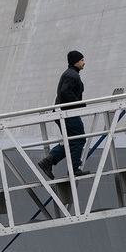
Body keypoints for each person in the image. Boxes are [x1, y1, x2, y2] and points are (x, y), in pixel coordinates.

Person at [39, 51, 90, 179]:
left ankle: (49, 161)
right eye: (82, 60)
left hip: (64, 112)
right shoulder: (72, 75)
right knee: (79, 139)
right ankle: (74, 169)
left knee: (72, 141)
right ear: (75, 61)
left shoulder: (70, 73)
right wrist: (78, 103)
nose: (84, 63)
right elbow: (65, 91)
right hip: (67, 113)